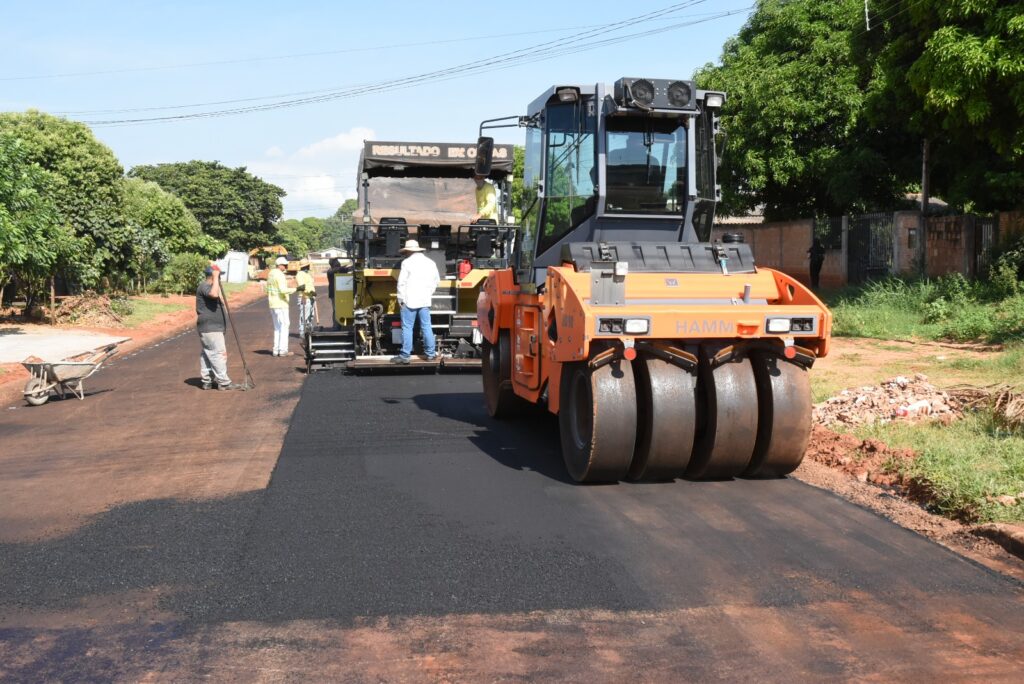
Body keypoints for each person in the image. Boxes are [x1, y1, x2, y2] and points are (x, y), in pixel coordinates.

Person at [392, 239, 440, 364]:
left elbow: (401, 283)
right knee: (426, 327)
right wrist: (429, 292)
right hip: (424, 300)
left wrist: (400, 299)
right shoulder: (430, 262)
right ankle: (430, 354)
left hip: (409, 300)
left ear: (408, 251)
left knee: (407, 328)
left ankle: (405, 356)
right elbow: (436, 280)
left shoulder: (406, 263)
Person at [196, 264, 241, 390]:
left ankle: (207, 380)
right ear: (213, 275)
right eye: (219, 276)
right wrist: (215, 277)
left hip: (211, 327)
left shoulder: (210, 286)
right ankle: (224, 382)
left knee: (207, 353)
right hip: (211, 328)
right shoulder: (205, 286)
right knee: (218, 354)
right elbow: (214, 295)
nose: (220, 278)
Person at [267, 256, 296, 356]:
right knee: (284, 326)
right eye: (285, 265)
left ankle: (276, 350)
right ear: (280, 265)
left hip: (272, 303)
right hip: (281, 304)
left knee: (277, 327)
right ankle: (283, 350)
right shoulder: (279, 275)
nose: (286, 267)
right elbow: (283, 290)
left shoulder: (271, 274)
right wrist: (296, 289)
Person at [326, 257, 351, 331]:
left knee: (345, 309)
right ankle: (336, 327)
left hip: (343, 293)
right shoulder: (330, 271)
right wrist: (346, 267)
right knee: (336, 310)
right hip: (334, 293)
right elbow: (339, 269)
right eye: (336, 262)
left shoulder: (340, 270)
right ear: (333, 264)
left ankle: (344, 325)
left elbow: (345, 270)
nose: (338, 263)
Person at [295, 260, 317, 336]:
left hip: (311, 297)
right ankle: (302, 332)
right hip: (304, 297)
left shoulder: (307, 274)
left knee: (310, 315)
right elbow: (302, 287)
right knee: (304, 316)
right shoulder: (300, 274)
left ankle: (309, 330)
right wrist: (310, 292)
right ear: (305, 266)